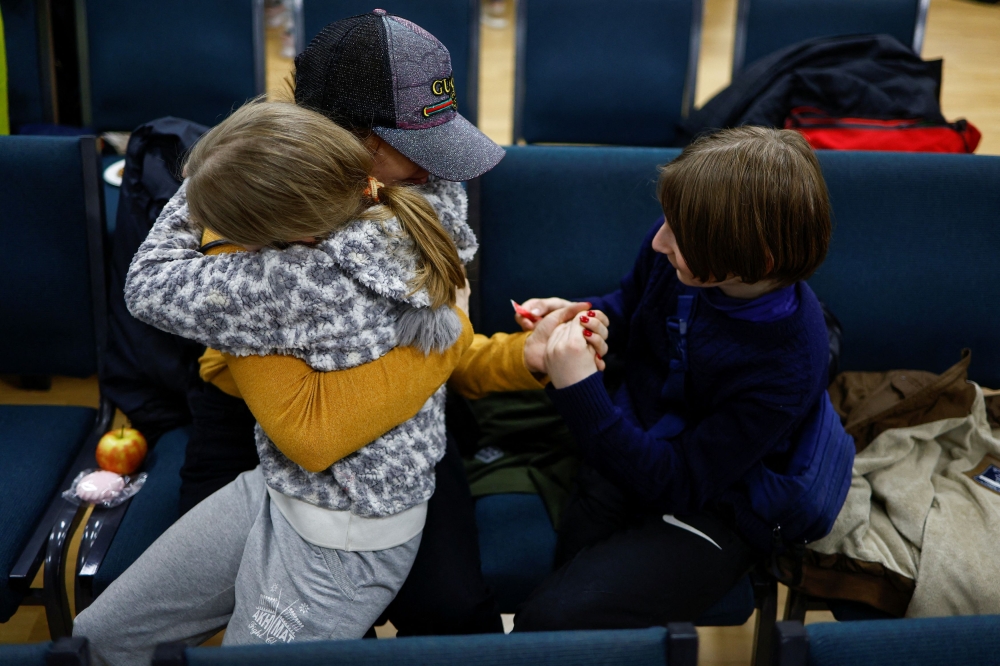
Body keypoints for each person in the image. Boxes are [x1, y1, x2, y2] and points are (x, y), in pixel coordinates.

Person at [73, 99, 607, 664]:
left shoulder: (282, 281)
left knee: (101, 643)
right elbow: (421, 354)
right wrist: (497, 343)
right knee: (99, 637)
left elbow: (148, 285)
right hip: (280, 488)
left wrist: (209, 184)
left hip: (343, 532)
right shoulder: (409, 217)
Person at [175, 10, 603, 637]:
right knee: (240, 617)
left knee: (455, 614)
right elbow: (311, 434)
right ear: (343, 138)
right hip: (256, 430)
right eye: (415, 148)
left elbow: (437, 349)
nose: (433, 170)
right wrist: (452, 335)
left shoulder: (425, 192)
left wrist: (526, 356)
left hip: (408, 426)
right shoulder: (256, 210)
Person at [511, 126, 855, 630]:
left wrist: (579, 390)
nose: (659, 240)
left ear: (754, 262)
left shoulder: (790, 365)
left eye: (679, 236)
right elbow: (633, 304)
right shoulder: (686, 244)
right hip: (635, 444)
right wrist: (583, 316)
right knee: (561, 603)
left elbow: (679, 482)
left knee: (552, 621)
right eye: (668, 221)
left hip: (713, 505)